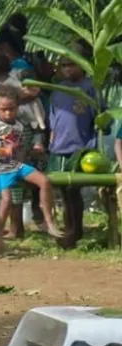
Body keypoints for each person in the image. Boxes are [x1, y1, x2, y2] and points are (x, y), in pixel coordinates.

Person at [0, 85, 63, 255]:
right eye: (4, 110)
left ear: (17, 107)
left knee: (44, 181)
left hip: (16, 165)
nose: (8, 113)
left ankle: (49, 222)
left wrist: (30, 160)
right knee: (6, 200)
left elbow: (20, 149)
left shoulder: (20, 126)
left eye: (12, 109)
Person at [48, 50, 108, 249]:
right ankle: (69, 228)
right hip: (59, 147)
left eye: (71, 64)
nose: (67, 69)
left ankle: (75, 230)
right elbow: (53, 118)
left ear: (81, 64)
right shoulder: (58, 89)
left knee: (74, 190)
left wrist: (95, 141)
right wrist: (51, 141)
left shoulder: (91, 87)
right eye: (63, 65)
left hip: (81, 147)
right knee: (63, 191)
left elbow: (101, 118)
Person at [0, 53, 48, 237]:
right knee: (6, 183)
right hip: (8, 143)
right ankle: (8, 228)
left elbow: (33, 87)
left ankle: (15, 227)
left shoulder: (13, 78)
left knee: (14, 180)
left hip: (23, 135)